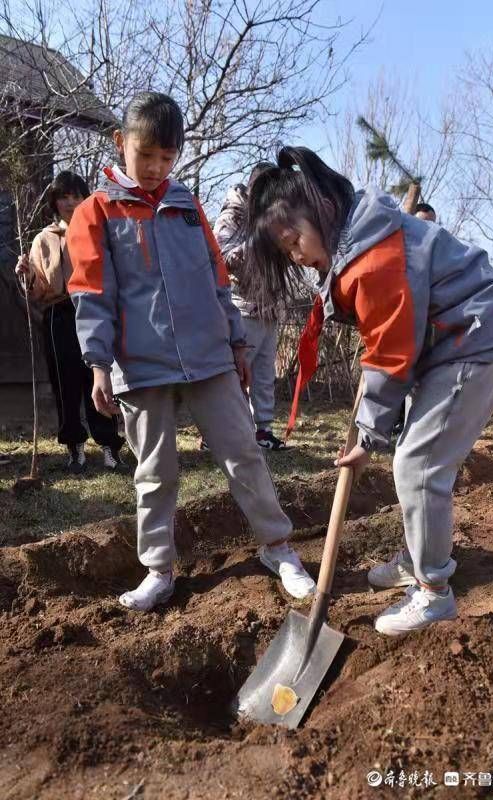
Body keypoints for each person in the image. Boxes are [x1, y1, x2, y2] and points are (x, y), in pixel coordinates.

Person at [246, 146, 493, 636]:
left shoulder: (372, 257)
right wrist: (374, 426)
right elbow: (387, 345)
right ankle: (419, 557)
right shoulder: (357, 241)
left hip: (471, 338)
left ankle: (433, 591)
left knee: (418, 463)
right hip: (445, 342)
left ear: (322, 209)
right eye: (287, 253)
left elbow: (392, 353)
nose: (298, 256)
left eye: (294, 242)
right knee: (416, 456)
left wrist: (369, 436)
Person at [66, 92, 316, 611]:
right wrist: (97, 363)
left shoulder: (186, 206)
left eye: (167, 158)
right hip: (141, 364)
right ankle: (158, 569)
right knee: (155, 471)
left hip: (209, 356)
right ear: (120, 144)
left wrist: (237, 342)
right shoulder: (97, 212)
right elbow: (91, 292)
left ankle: (278, 548)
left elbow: (217, 278)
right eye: (146, 156)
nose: (156, 168)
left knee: (244, 453)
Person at [15, 171, 125, 473]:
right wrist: (26, 274)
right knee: (65, 382)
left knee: (98, 378)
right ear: (54, 200)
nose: (70, 202)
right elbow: (36, 290)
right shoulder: (43, 239)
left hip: (94, 309)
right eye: (64, 196)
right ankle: (74, 447)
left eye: (77, 195)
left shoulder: (98, 231)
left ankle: (108, 446)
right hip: (59, 315)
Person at [211, 164, 287, 450]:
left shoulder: (275, 214)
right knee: (237, 375)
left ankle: (263, 431)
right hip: (242, 308)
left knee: (265, 375)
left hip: (270, 307)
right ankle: (220, 433)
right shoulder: (234, 214)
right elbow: (221, 258)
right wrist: (258, 242)